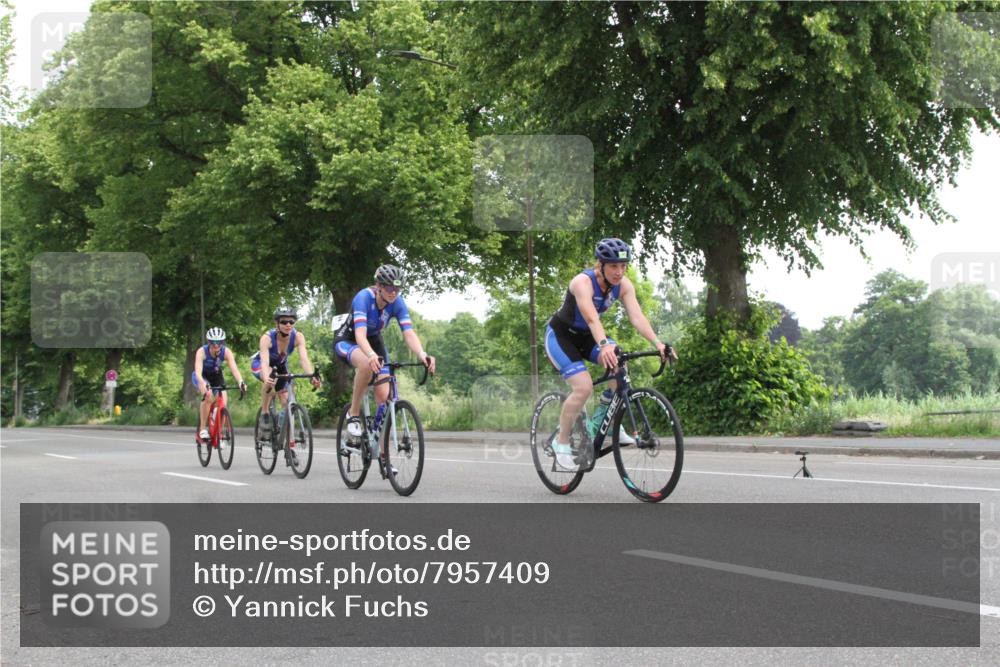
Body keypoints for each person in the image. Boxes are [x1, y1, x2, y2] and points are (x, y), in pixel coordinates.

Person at [543, 238, 677, 470]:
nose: (619, 272)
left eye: (623, 266)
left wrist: (657, 343)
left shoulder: (624, 285)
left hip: (587, 337)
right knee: (583, 388)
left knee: (620, 366)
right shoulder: (582, 282)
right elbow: (591, 317)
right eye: (614, 266)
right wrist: (604, 344)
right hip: (561, 336)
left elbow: (637, 317)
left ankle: (606, 421)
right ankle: (561, 442)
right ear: (601, 265)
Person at [334, 264, 436, 449]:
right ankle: (354, 414)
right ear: (379, 286)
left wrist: (422, 354)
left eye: (397, 289)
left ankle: (383, 456)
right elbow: (360, 336)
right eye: (389, 288)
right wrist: (371, 355)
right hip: (349, 339)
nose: (393, 293)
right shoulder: (363, 297)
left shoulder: (398, 302)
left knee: (384, 396)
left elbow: (408, 333)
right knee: (365, 364)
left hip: (374, 340)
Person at [251, 306, 322, 440]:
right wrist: (267, 379)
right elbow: (265, 363)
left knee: (286, 401)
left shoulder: (298, 337)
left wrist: (312, 376)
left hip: (281, 366)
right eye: (284, 322)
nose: (288, 325)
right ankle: (265, 414)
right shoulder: (267, 338)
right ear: (277, 323)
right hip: (260, 365)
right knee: (272, 379)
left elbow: (304, 359)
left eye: (291, 322)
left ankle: (283, 434)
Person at [192, 327, 246, 442]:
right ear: (209, 342)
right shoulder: (202, 352)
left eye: (219, 342)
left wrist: (241, 381)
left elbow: (234, 369)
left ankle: (219, 433)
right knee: (208, 395)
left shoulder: (226, 352)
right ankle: (202, 429)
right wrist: (203, 384)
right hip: (202, 376)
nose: (216, 345)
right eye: (213, 342)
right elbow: (197, 372)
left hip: (216, 376)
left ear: (223, 342)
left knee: (223, 403)